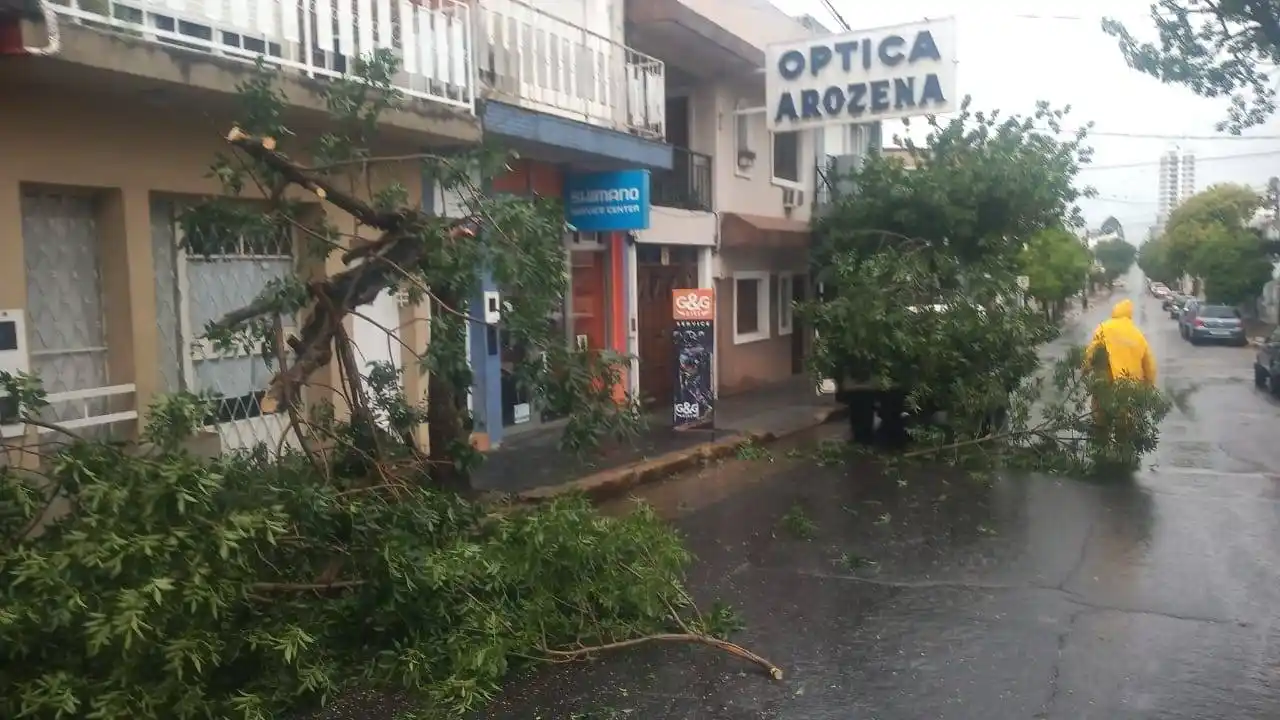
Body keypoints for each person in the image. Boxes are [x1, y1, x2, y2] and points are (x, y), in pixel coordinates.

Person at [1083, 298, 1157, 445]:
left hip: (1105, 383)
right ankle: (1122, 449)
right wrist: (1149, 386)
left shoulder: (1104, 327)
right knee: (1125, 421)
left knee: (1101, 418)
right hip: (1130, 387)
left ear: (1115, 312)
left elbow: (1092, 351)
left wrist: (1085, 368)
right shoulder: (1138, 335)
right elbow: (1150, 364)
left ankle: (1101, 446)